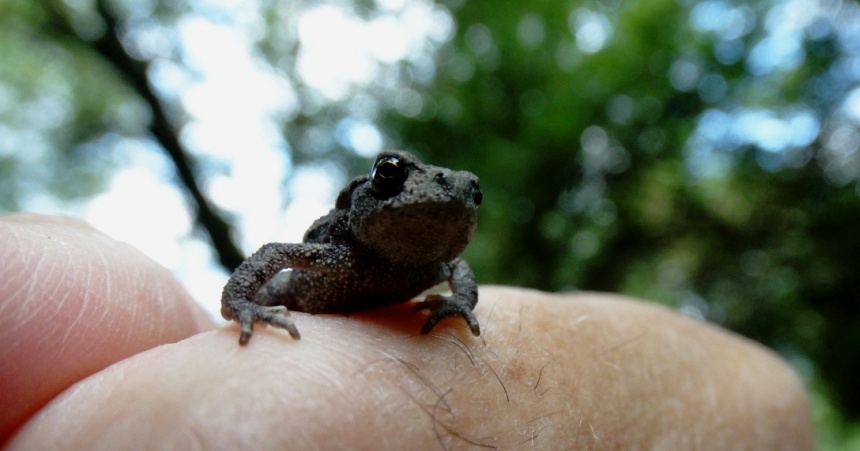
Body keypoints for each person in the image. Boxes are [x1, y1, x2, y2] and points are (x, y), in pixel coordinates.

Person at [1, 213, 813, 449]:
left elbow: (465, 284)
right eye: (396, 183)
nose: (431, 200)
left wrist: (458, 309)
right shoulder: (336, 246)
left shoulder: (440, 269)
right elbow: (275, 258)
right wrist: (242, 303)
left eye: (463, 198)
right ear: (367, 197)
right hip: (312, 295)